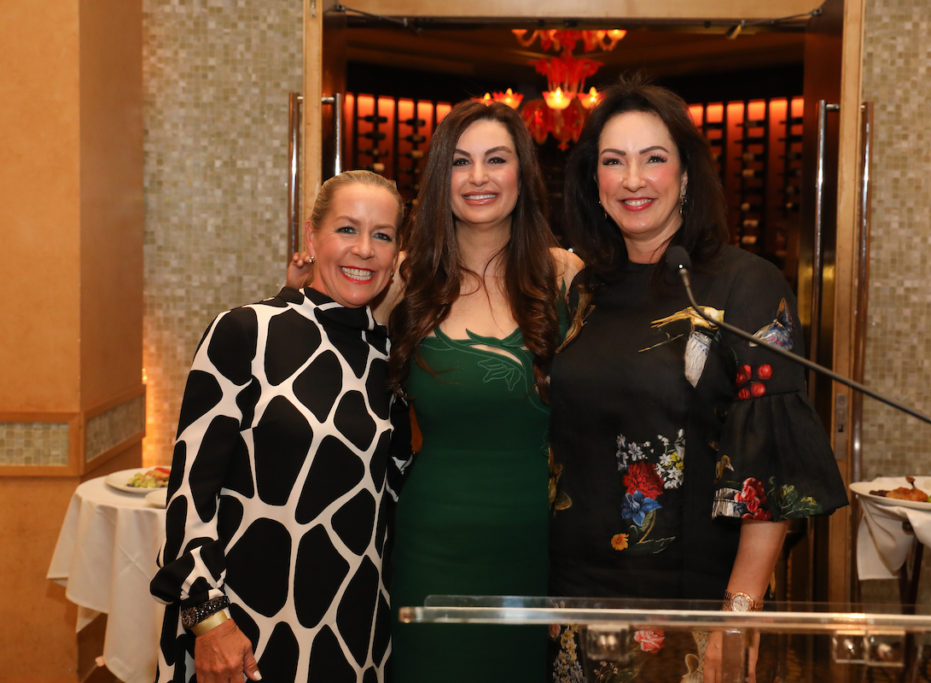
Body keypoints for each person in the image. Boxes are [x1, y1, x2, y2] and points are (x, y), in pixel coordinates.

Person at [547, 78, 848, 682]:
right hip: (575, 604)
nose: (633, 180)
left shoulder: (744, 286)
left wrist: (737, 620)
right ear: (594, 182)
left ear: (686, 177)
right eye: (614, 162)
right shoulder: (587, 292)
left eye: (654, 159)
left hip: (690, 605)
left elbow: (770, 470)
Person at [150, 170, 411, 683]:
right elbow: (189, 493)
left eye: (382, 235)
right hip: (242, 633)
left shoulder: (391, 358)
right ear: (312, 238)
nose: (364, 249)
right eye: (346, 229)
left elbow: (392, 502)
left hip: (355, 633)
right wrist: (208, 621)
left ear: (396, 253)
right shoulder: (245, 331)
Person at [383, 100, 581, 682]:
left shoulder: (564, 275)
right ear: (440, 177)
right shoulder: (404, 279)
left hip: (538, 542)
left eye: (496, 160)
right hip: (433, 545)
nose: (478, 178)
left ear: (522, 173)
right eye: (460, 162)